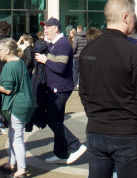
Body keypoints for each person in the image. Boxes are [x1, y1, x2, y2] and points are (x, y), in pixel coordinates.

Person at [80, 0, 137, 177]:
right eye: (134, 18)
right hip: (128, 133)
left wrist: (94, 116)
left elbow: (84, 92)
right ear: (125, 17)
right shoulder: (132, 51)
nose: (135, 22)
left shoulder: (89, 49)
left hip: (97, 130)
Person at [35, 17, 87, 165]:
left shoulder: (63, 44)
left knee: (52, 120)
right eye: (44, 27)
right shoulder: (54, 44)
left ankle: (75, 145)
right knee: (56, 119)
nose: (45, 30)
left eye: (47, 27)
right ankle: (61, 153)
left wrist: (45, 60)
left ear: (56, 28)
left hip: (60, 88)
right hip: (56, 88)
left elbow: (60, 67)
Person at [0, 38, 35, 178]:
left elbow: (8, 90)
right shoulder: (20, 62)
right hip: (26, 102)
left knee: (17, 137)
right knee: (13, 134)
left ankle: (21, 169)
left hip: (17, 104)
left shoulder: (9, 66)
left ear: (8, 51)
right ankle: (11, 163)